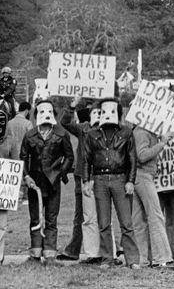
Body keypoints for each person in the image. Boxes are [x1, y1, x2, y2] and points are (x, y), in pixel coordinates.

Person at [82, 98, 141, 269]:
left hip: (120, 179)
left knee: (126, 222)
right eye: (104, 111)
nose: (107, 114)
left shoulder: (126, 133)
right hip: (100, 180)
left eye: (112, 110)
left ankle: (132, 259)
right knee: (103, 222)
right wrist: (86, 180)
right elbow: (87, 159)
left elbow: (132, 159)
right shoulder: (92, 135)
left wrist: (130, 180)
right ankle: (107, 258)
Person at [20, 99, 74, 264]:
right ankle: (35, 254)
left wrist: (60, 173)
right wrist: (27, 176)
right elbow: (23, 157)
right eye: (41, 111)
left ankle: (50, 254)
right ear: (36, 115)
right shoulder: (30, 135)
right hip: (35, 183)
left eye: (48, 111)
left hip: (53, 183)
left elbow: (69, 157)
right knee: (35, 218)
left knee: (51, 218)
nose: (45, 115)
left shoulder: (61, 134)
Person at [58, 98, 103, 263]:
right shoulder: (83, 128)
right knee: (80, 215)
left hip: (99, 175)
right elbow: (65, 122)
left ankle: (103, 250)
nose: (97, 115)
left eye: (99, 112)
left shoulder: (107, 129)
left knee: (101, 214)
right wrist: (72, 105)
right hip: (81, 175)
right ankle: (73, 250)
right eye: (94, 113)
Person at [132, 125, 174, 267]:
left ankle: (141, 258)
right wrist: (162, 143)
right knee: (155, 215)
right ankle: (161, 257)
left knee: (139, 220)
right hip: (143, 175)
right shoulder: (142, 132)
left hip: (139, 176)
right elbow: (142, 156)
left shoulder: (140, 132)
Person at [0, 110, 18, 264]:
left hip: (4, 187)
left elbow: (16, 163)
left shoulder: (11, 141)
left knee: (2, 225)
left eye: (2, 122)